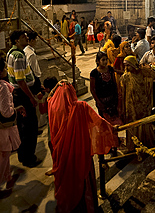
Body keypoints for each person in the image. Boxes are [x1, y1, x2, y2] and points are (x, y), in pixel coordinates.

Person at [48, 81, 117, 212]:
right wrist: (112, 129)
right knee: (82, 180)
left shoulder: (53, 106)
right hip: (80, 152)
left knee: (67, 180)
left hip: (62, 154)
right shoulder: (81, 107)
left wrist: (57, 87)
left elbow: (49, 98)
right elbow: (99, 122)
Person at [7, 30, 40, 168]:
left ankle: (23, 155)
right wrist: (31, 97)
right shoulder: (19, 56)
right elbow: (21, 80)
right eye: (22, 37)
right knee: (30, 127)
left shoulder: (11, 52)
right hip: (23, 95)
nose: (26, 38)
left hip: (18, 94)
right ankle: (28, 157)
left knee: (23, 126)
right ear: (16, 41)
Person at [0, 58, 26, 198]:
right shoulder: (3, 87)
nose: (5, 70)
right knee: (4, 154)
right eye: (4, 68)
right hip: (3, 127)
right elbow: (6, 111)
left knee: (5, 153)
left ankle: (8, 176)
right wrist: (16, 109)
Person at [120, 55, 155, 151]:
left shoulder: (142, 74)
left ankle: (146, 144)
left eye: (128, 65)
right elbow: (123, 94)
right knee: (132, 126)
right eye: (125, 66)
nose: (126, 68)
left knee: (143, 124)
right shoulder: (125, 77)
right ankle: (133, 147)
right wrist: (123, 108)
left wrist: (144, 67)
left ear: (133, 65)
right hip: (131, 107)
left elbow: (154, 75)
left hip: (142, 105)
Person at [90, 51, 119, 124]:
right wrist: (98, 102)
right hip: (102, 101)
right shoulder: (94, 73)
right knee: (105, 123)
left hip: (112, 100)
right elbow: (92, 89)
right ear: (97, 61)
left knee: (114, 121)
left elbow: (114, 83)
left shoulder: (110, 69)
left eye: (106, 59)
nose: (105, 62)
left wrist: (117, 97)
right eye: (103, 60)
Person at [113, 41, 133, 118]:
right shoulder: (119, 57)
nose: (129, 48)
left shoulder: (132, 55)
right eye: (126, 47)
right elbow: (114, 68)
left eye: (129, 46)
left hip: (131, 79)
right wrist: (124, 72)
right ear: (122, 49)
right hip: (122, 79)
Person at [24, 31, 42, 96]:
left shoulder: (25, 50)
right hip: (34, 80)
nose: (36, 41)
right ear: (32, 40)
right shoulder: (31, 54)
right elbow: (33, 69)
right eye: (35, 39)